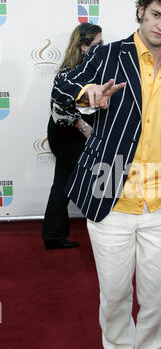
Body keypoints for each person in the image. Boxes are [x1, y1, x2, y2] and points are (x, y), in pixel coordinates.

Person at [51, 0, 161, 349]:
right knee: (115, 291)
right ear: (141, 11)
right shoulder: (108, 56)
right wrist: (88, 95)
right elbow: (63, 89)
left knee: (157, 293)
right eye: (155, 14)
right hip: (110, 195)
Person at [42, 23, 103, 250]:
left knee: (63, 183)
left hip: (74, 134)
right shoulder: (70, 73)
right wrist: (84, 128)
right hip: (68, 134)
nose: (102, 48)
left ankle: (53, 235)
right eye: (98, 44)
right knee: (70, 183)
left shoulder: (88, 70)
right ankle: (103, 232)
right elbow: (59, 109)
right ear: (84, 46)